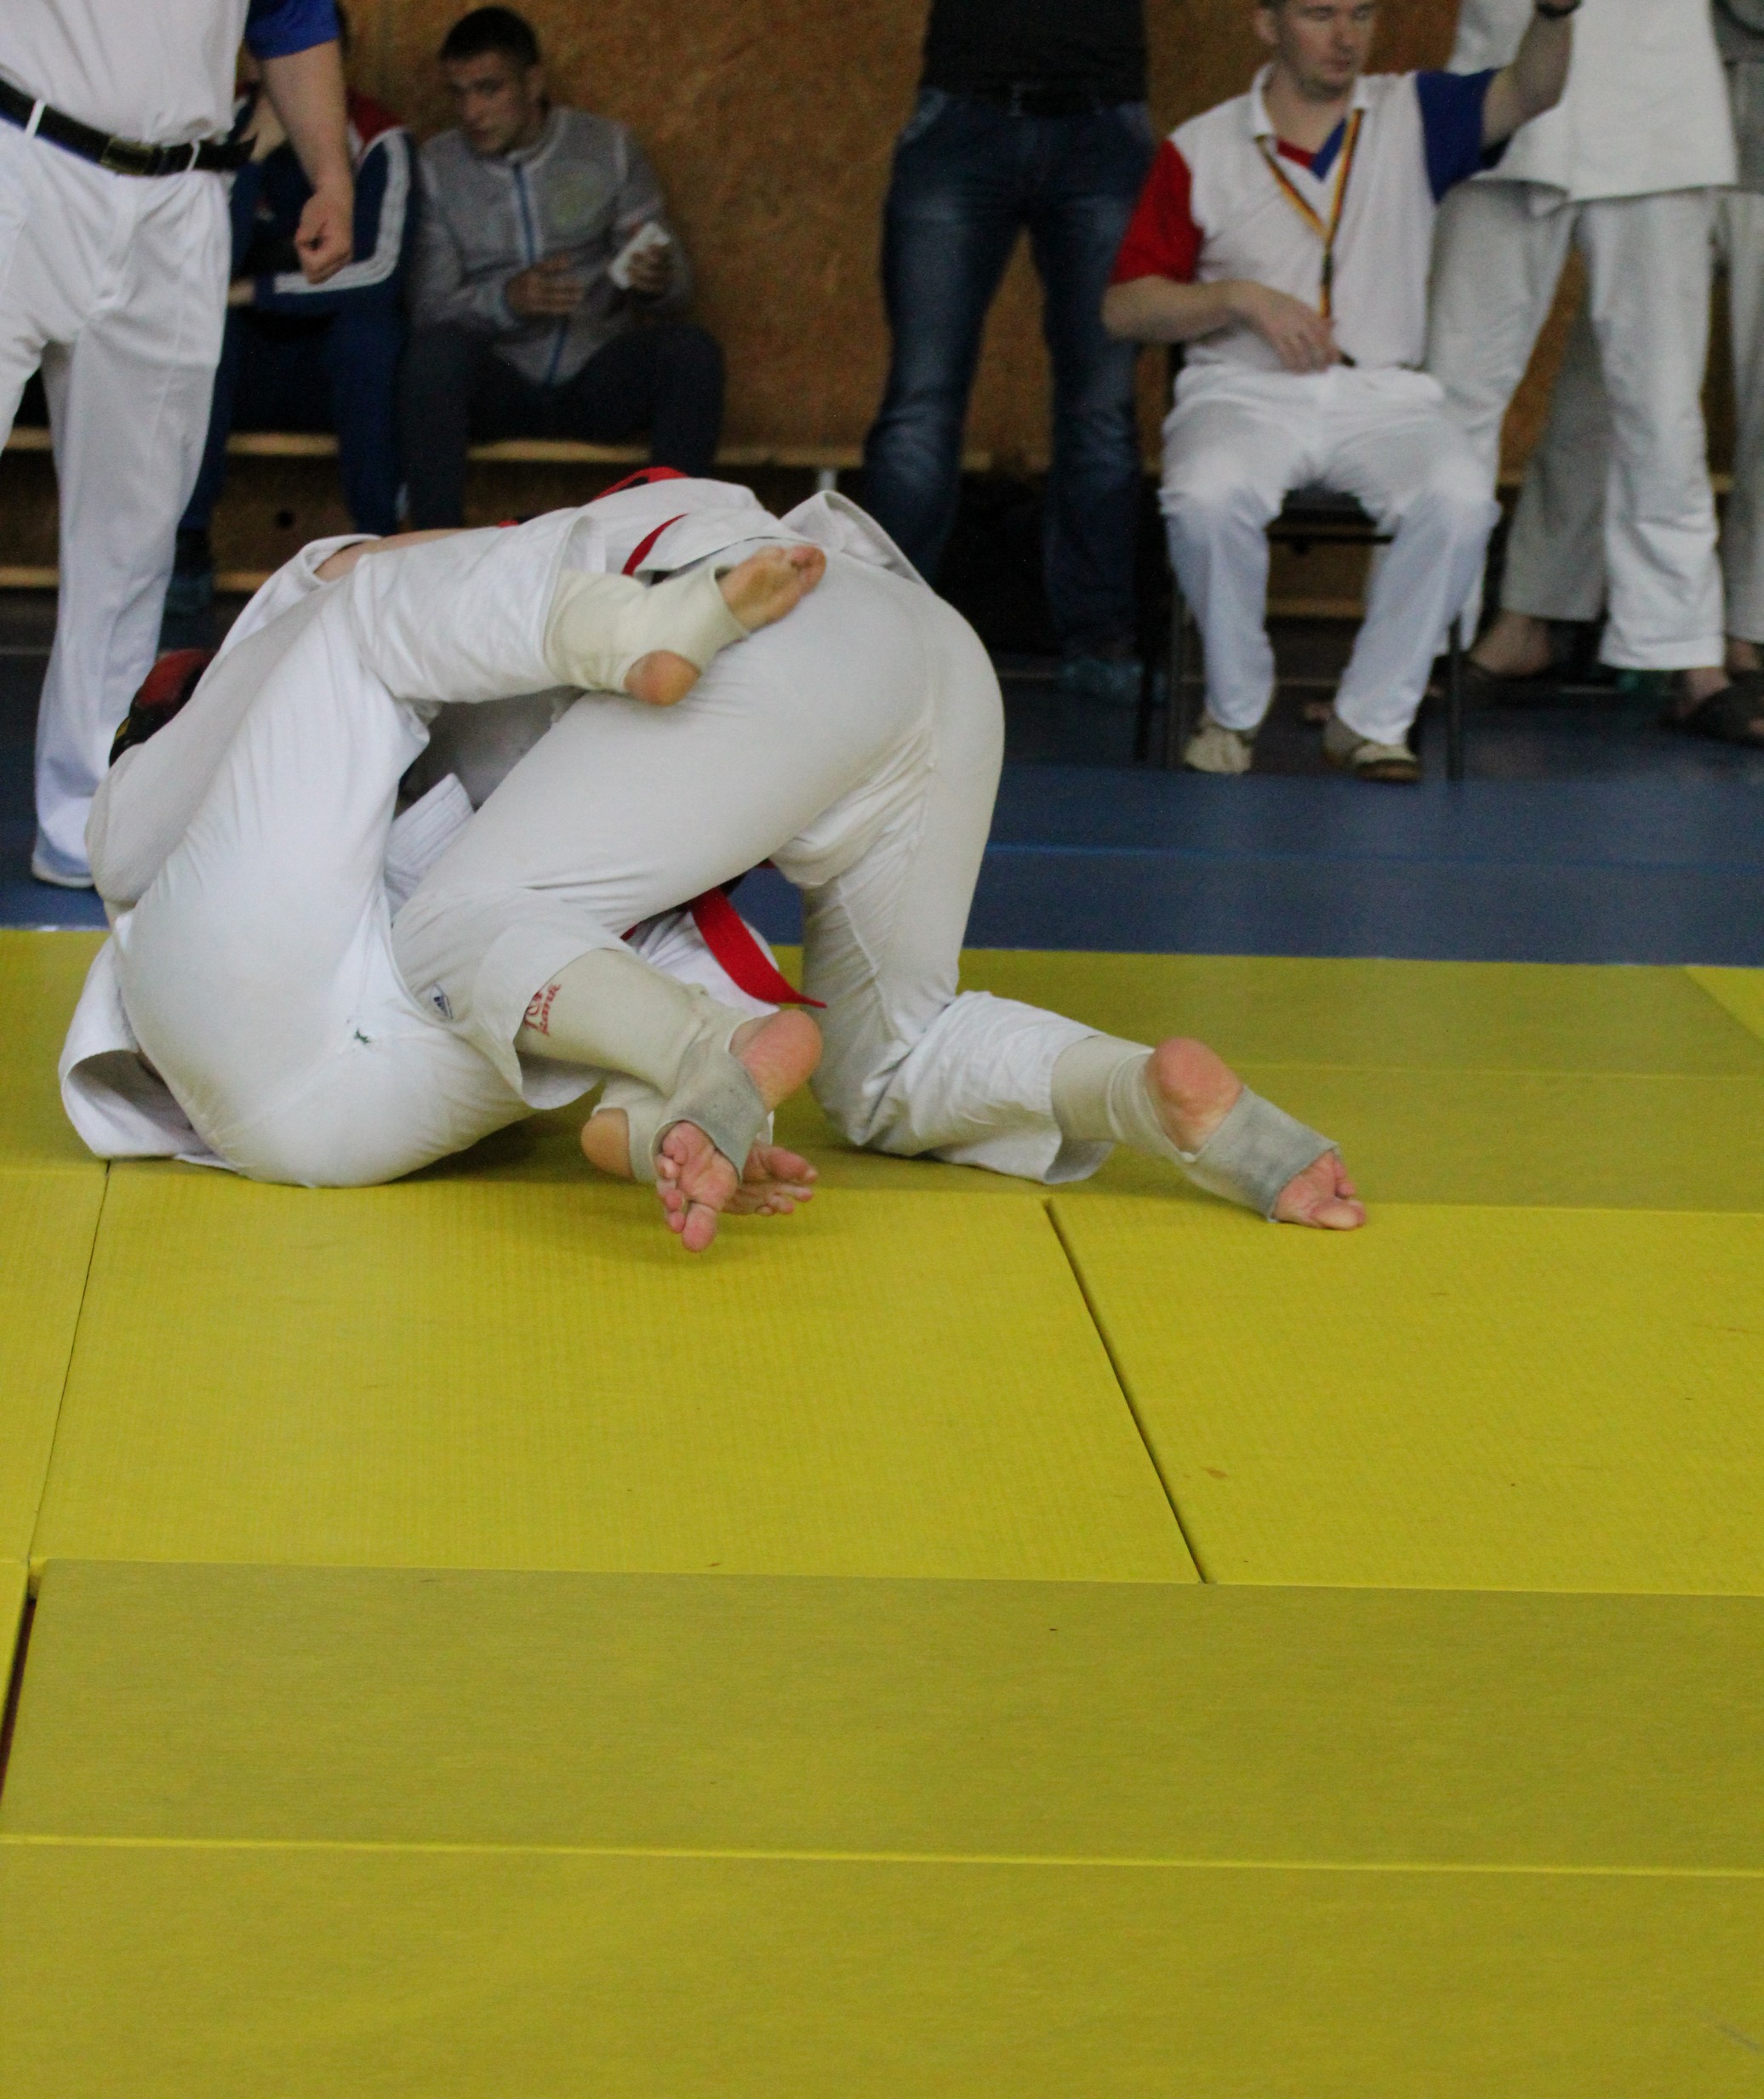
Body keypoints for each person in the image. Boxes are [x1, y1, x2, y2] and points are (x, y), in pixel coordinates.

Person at [60, 478, 1366, 1245]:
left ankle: (704, 1044)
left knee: (468, 902)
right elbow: (372, 586)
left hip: (335, 1104)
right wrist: (684, 1124)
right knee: (890, 1059)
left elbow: (368, 591)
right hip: (935, 662)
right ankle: (1135, 1093)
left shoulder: (569, 617)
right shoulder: (553, 769)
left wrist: (678, 1115)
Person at [1102, 0, 1574, 782]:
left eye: (1360, 14)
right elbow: (1124, 308)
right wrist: (1236, 299)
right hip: (1241, 392)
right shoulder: (1202, 145)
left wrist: (1554, 15)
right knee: (1205, 497)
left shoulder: (1414, 112)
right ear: (1267, 24)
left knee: (1459, 500)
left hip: (1381, 395)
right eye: (1319, 14)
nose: (1344, 36)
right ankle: (1232, 708)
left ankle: (1372, 720)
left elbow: (1531, 90)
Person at [0, 0, 353, 887]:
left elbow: (291, 16)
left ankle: (86, 819)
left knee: (134, 531)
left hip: (184, 193)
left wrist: (330, 173)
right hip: (19, 149)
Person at [1425, 0, 1744, 738]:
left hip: (1656, 105)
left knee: (1661, 405)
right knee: (1451, 394)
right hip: (1505, 81)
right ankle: (1407, 650)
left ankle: (1688, 654)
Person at [856, 0, 1156, 704]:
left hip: (1100, 118)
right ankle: (880, 633)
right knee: (920, 403)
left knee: (1101, 409)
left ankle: (1101, 638)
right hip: (967, 107)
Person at [398, 7, 722, 530]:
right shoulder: (437, 167)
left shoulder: (607, 148)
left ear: (533, 83)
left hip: (596, 375)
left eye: (489, 89)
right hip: (500, 383)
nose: (471, 111)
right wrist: (507, 301)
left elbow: (678, 285)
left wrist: (657, 281)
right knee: (433, 358)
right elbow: (429, 308)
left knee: (692, 353)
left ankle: (671, 543)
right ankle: (437, 548)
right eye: (458, 93)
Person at [168, 14, 413, 614]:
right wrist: (251, 155)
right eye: (264, 51)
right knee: (201, 327)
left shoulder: (377, 136)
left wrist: (260, 292)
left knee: (370, 336)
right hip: (246, 364)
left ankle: (378, 542)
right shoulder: (215, 123)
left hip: (327, 362)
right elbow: (195, 261)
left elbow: (380, 275)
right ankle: (187, 544)